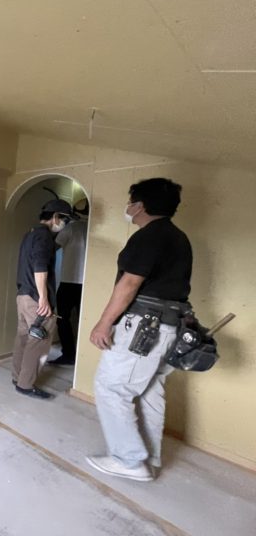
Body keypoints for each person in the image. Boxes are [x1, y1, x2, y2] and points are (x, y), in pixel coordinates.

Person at [87, 178, 192, 482]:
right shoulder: (178, 237)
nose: (128, 207)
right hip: (167, 327)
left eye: (130, 201)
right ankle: (150, 457)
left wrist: (104, 322)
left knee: (111, 388)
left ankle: (130, 461)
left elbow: (130, 282)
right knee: (149, 390)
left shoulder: (149, 236)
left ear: (140, 206)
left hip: (144, 328)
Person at [11, 198, 73, 399]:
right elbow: (40, 267)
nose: (65, 224)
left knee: (23, 338)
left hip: (23, 296)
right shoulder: (44, 236)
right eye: (65, 220)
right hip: (36, 300)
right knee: (38, 342)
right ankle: (26, 385)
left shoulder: (30, 234)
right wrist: (44, 299)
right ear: (55, 217)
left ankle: (18, 377)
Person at [50, 199, 89, 365]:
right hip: (88, 284)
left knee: (62, 319)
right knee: (84, 320)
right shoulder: (92, 229)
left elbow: (52, 248)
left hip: (69, 282)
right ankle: (84, 357)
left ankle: (69, 355)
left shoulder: (71, 229)